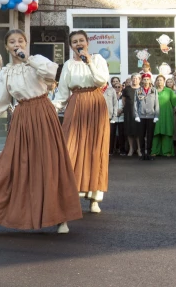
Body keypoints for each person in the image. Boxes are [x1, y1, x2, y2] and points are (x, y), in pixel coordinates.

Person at [0, 29, 81, 234]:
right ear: (6, 47)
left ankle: (61, 218)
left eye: (20, 41)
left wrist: (28, 60)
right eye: (12, 42)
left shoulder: (36, 61)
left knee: (51, 164)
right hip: (22, 117)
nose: (17, 44)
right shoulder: (6, 73)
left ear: (25, 43)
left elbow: (52, 73)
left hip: (44, 114)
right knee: (7, 166)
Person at [52, 30, 110, 214]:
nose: (78, 43)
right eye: (75, 41)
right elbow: (62, 93)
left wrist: (89, 62)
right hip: (75, 105)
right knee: (71, 149)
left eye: (81, 40)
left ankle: (94, 198)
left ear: (87, 43)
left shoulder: (98, 59)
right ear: (71, 46)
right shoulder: (68, 65)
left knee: (95, 149)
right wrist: (50, 110)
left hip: (95, 104)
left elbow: (101, 80)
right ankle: (70, 194)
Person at [134, 73, 159, 161]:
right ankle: (142, 153)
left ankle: (148, 153)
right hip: (141, 116)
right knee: (141, 135)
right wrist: (136, 115)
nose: (146, 81)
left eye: (147, 79)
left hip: (151, 116)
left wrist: (156, 115)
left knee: (150, 135)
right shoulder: (138, 91)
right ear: (142, 80)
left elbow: (157, 103)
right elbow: (135, 103)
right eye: (144, 79)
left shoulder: (153, 90)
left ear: (150, 80)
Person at [151, 75, 176, 157]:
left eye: (161, 80)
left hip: (167, 115)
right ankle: (155, 151)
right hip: (155, 115)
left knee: (167, 132)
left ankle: (167, 151)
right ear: (155, 82)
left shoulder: (169, 91)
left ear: (164, 81)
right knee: (155, 133)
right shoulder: (152, 91)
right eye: (158, 80)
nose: (159, 82)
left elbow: (174, 103)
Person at [123, 73, 142, 157]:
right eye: (133, 78)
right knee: (129, 130)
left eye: (137, 78)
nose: (135, 80)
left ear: (139, 80)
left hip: (139, 112)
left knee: (138, 131)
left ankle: (139, 149)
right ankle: (131, 148)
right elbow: (123, 101)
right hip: (129, 112)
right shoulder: (127, 89)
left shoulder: (142, 89)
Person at [102, 82, 118, 155]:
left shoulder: (111, 90)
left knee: (110, 135)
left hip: (109, 116)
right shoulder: (96, 89)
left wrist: (114, 117)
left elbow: (115, 104)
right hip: (99, 117)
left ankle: (109, 151)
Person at [112, 82, 126, 156]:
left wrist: (122, 110)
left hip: (122, 118)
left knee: (121, 135)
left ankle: (122, 150)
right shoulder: (111, 96)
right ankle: (111, 150)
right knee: (112, 135)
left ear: (121, 88)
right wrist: (115, 111)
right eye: (116, 87)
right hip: (113, 118)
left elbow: (126, 106)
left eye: (119, 87)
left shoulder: (124, 96)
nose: (117, 88)